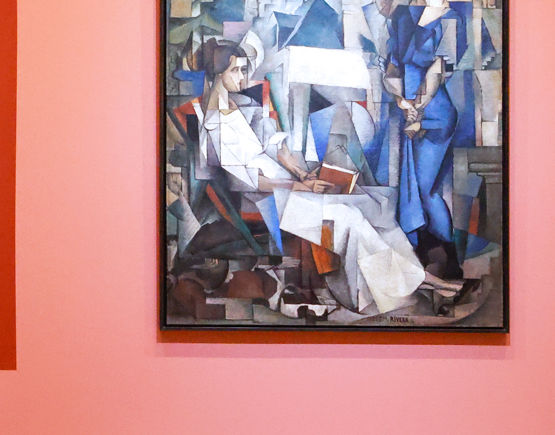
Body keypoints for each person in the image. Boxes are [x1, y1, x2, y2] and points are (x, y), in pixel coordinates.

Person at [188, 40, 464, 316]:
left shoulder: (243, 105)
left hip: (291, 185)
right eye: (235, 71)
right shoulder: (215, 128)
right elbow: (250, 182)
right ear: (217, 75)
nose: (243, 77)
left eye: (244, 69)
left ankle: (412, 279)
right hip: (270, 200)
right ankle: (417, 283)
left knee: (374, 203)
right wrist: (297, 184)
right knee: (349, 218)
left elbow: (277, 148)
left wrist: (303, 174)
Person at [373, 0, 460, 265]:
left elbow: (438, 71)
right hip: (409, 111)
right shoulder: (401, 16)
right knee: (407, 191)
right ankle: (421, 259)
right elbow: (391, 68)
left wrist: (417, 108)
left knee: (426, 191)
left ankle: (449, 261)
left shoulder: (450, 18)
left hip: (435, 117)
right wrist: (401, 101)